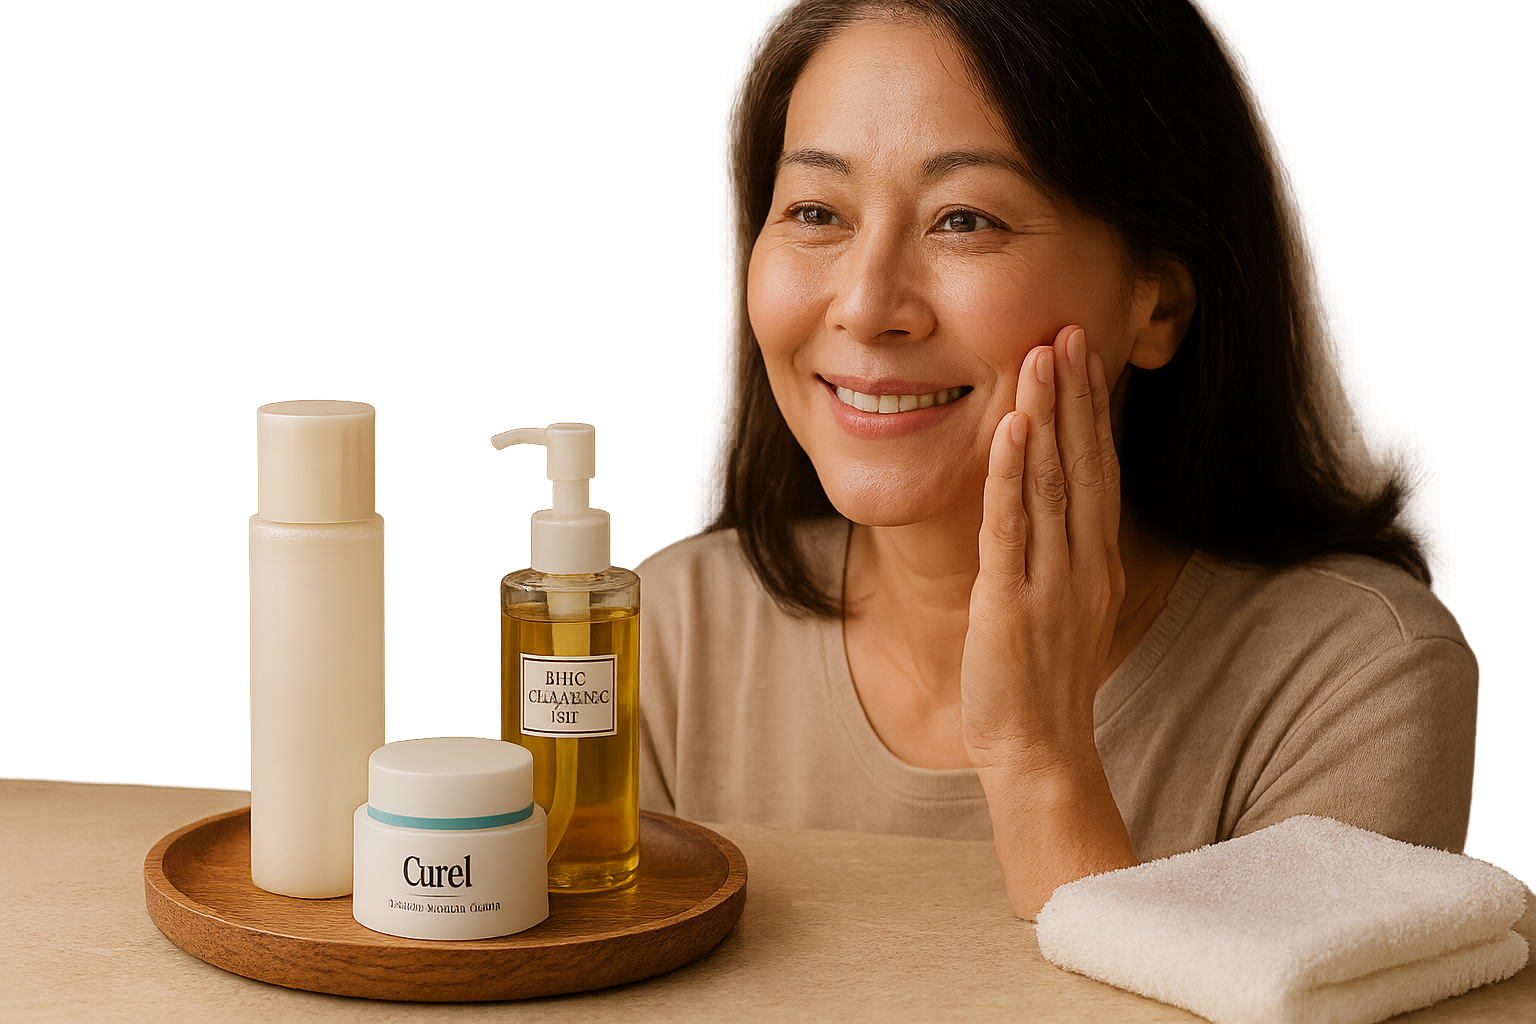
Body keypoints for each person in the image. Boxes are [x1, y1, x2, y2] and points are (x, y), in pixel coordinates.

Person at [637, 0, 1475, 919]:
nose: (869, 304)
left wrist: (1039, 756)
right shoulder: (663, 643)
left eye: (963, 220)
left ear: (1157, 306)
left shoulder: (1353, 682)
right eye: (814, 211)